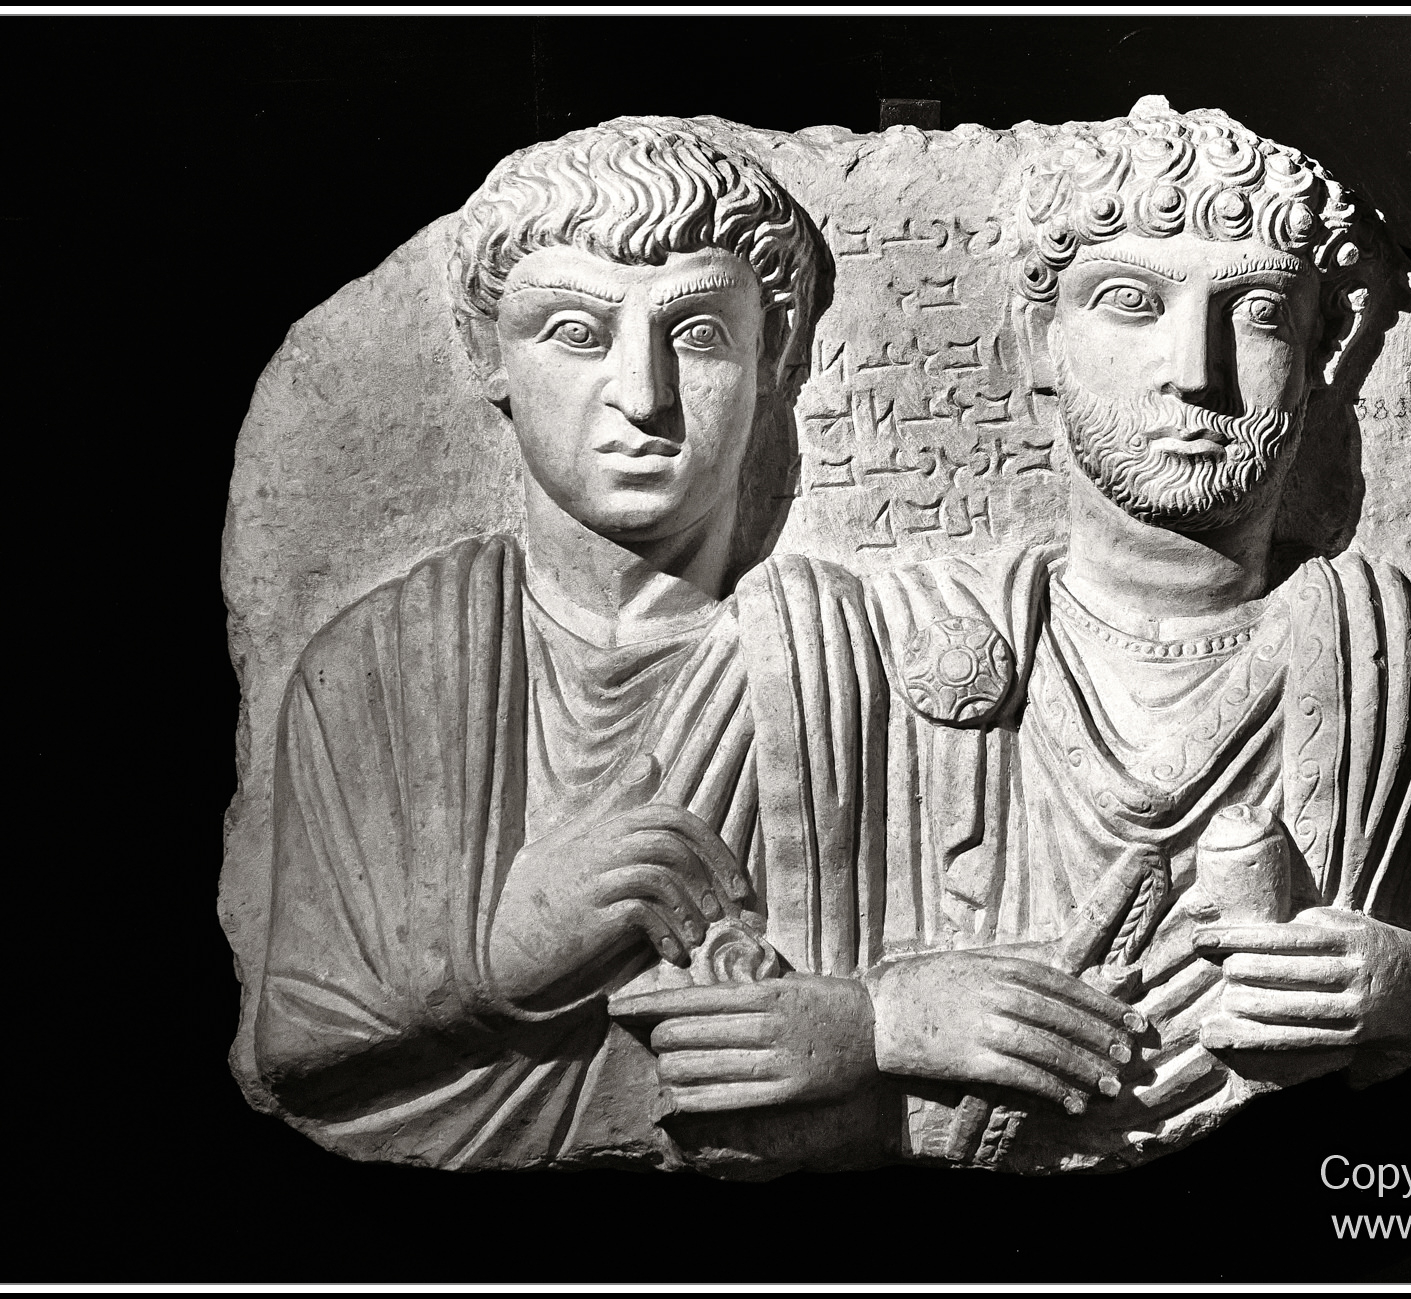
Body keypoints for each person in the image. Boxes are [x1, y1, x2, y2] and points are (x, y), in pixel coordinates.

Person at [629, 100, 1411, 1171]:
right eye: (1131, 302)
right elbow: (608, 1046)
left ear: (1321, 354)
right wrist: (874, 1024)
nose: (1193, 372)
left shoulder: (1408, 666)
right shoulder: (832, 648)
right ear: (1039, 341)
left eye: (1253, 313)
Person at [252, 118, 1137, 1173]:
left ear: (777, 357)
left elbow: (1091, 960)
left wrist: (879, 1025)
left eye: (701, 334)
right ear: (489, 355)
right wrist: (494, 963)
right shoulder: (386, 666)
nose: (643, 396)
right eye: (575, 332)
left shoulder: (871, 656)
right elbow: (300, 1050)